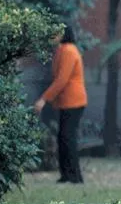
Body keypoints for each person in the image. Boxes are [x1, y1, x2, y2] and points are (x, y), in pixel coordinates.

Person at [34, 25, 88, 185]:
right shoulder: (61, 50)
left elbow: (62, 80)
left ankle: (74, 176)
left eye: (56, 32)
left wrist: (44, 99)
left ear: (63, 34)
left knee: (68, 138)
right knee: (63, 138)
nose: (52, 35)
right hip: (66, 102)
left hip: (74, 101)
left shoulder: (68, 50)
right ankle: (67, 175)